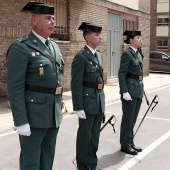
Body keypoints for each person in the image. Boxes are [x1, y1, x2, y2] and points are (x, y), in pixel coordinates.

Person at [7, 2, 64, 169]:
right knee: (31, 162)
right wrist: (20, 120)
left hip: (52, 114)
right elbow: (14, 87)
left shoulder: (53, 46)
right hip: (33, 116)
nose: (52, 22)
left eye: (53, 18)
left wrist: (59, 109)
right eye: (47, 18)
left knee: (47, 158)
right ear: (34, 20)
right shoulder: (21, 47)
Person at [71, 22, 105, 170]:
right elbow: (76, 84)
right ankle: (83, 166)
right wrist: (78, 107)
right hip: (86, 102)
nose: (100, 37)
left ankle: (92, 164)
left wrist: (103, 105)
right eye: (97, 35)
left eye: (100, 35)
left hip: (98, 101)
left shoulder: (99, 55)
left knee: (95, 137)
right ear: (87, 37)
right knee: (85, 138)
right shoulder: (81, 57)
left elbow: (100, 82)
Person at [118, 30, 143, 155]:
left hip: (137, 89)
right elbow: (122, 74)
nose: (140, 40)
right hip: (130, 90)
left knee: (133, 118)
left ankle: (130, 142)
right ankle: (125, 144)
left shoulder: (137, 53)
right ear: (131, 40)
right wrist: (124, 91)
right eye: (138, 37)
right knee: (128, 118)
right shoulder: (127, 54)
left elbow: (138, 73)